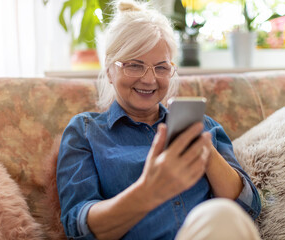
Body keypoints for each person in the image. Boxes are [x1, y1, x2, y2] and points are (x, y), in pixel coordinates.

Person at [57, 0, 262, 239]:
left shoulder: (203, 127)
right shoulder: (85, 132)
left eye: (161, 68)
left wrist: (207, 153)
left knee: (222, 216)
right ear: (110, 69)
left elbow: (249, 208)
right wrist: (147, 191)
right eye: (134, 65)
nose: (149, 79)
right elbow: (77, 226)